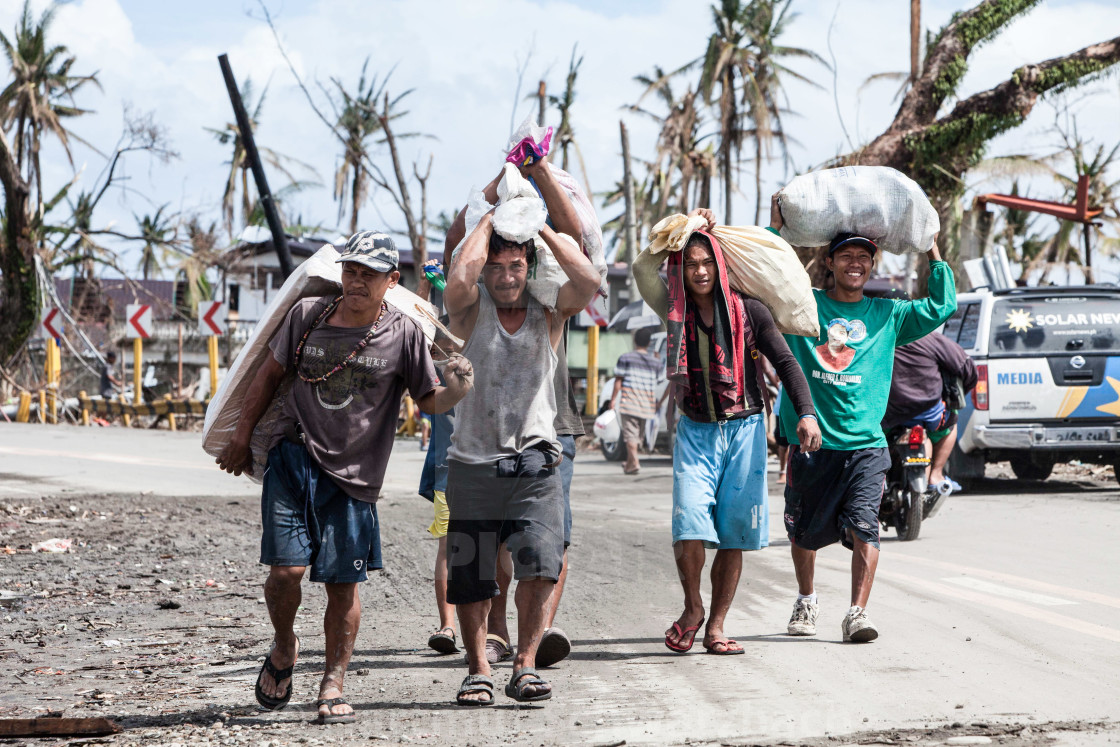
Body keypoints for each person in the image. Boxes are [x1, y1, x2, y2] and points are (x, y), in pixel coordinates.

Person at [215, 231, 474, 723]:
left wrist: (457, 390)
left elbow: (429, 401)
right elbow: (267, 376)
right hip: (292, 458)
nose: (356, 281)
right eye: (351, 270)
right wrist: (239, 435)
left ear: (391, 281)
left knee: (341, 587)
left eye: (369, 274)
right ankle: (284, 644)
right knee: (285, 572)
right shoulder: (306, 318)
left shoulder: (403, 334)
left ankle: (332, 681)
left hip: (354, 478)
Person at [769, 194, 957, 643]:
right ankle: (807, 598)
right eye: (846, 255)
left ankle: (857, 612)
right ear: (829, 262)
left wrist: (931, 246)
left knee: (864, 525)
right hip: (813, 443)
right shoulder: (804, 307)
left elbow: (940, 306)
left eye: (864, 256)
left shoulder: (888, 314)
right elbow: (767, 283)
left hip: (866, 444)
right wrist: (775, 229)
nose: (856, 263)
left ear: (872, 265)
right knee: (802, 531)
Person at [633, 207, 820, 656]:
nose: (699, 271)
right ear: (681, 267)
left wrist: (807, 413)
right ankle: (693, 607)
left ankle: (717, 625)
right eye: (691, 263)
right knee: (690, 523)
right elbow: (641, 267)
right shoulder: (672, 307)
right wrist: (680, 227)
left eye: (706, 262)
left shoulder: (751, 311)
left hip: (747, 429)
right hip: (696, 430)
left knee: (733, 533)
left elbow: (787, 363)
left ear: (720, 265)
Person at [443, 172, 599, 705]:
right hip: (471, 463)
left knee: (540, 563)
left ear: (529, 268)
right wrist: (490, 219)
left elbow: (589, 281)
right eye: (498, 267)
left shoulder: (547, 309)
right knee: (471, 573)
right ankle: (478, 667)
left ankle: (526, 665)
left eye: (516, 267)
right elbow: (455, 282)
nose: (507, 277)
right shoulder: (469, 310)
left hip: (536, 463)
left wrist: (540, 230)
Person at [883, 322, 977, 488]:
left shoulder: (875, 338)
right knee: (952, 423)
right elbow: (967, 368)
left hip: (888, 416)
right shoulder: (929, 338)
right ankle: (936, 474)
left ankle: (877, 479)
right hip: (929, 414)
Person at [610, 326, 665, 475]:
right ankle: (630, 464)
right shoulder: (656, 363)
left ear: (634, 341)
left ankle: (634, 463)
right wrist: (657, 361)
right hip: (647, 405)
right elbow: (661, 381)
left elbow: (618, 382)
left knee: (631, 437)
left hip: (629, 402)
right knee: (636, 437)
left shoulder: (625, 358)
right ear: (649, 343)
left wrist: (613, 400)